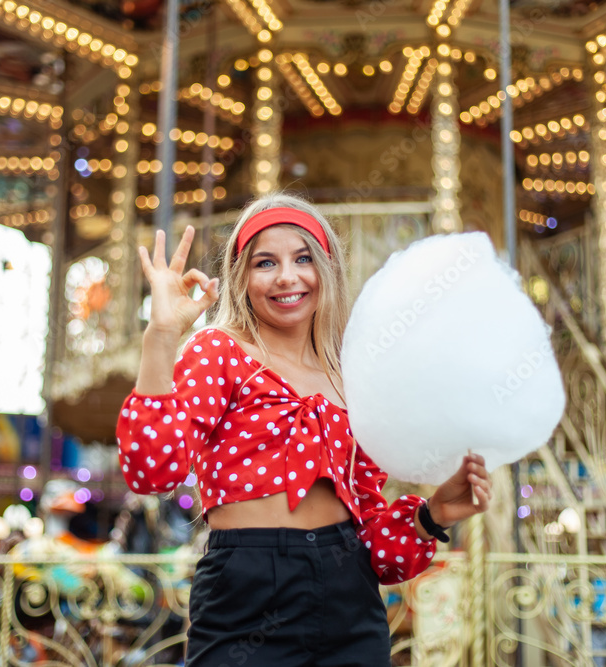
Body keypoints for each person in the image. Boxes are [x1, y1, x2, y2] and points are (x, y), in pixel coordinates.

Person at [116, 192, 492, 666]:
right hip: (245, 592)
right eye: (265, 262)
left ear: (327, 271)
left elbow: (377, 548)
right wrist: (163, 336)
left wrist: (433, 514)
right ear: (241, 277)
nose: (287, 277)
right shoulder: (219, 351)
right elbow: (154, 472)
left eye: (303, 258)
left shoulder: (349, 379)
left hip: (348, 597)